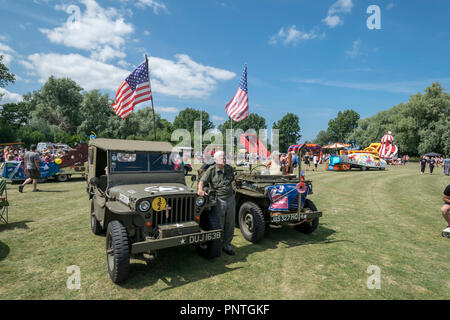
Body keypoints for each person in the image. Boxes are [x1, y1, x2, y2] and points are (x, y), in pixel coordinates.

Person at [197, 151, 236, 256]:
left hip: (231, 198)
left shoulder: (229, 168)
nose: (224, 160)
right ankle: (218, 245)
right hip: (219, 200)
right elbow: (201, 181)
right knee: (219, 224)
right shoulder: (212, 170)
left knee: (230, 223)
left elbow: (233, 180)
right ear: (216, 160)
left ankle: (227, 245)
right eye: (222, 158)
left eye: (224, 158)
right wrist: (200, 190)